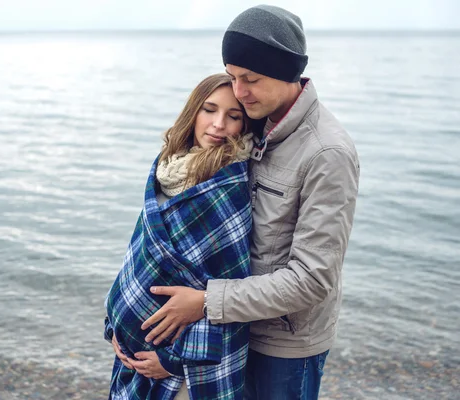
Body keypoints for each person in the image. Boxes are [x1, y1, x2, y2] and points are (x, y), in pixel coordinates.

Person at [137, 5, 361, 400]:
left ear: (287, 72)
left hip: (281, 344)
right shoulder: (251, 124)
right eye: (233, 76)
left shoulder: (327, 152)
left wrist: (206, 302)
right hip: (230, 330)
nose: (239, 92)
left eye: (251, 79)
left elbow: (312, 279)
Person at [104, 73, 256, 400]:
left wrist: (174, 361)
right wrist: (114, 322)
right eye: (209, 110)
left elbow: (228, 292)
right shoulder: (167, 169)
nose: (218, 124)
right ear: (193, 113)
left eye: (234, 116)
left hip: (184, 370)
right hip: (133, 353)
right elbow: (137, 254)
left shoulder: (228, 189)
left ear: (245, 125)